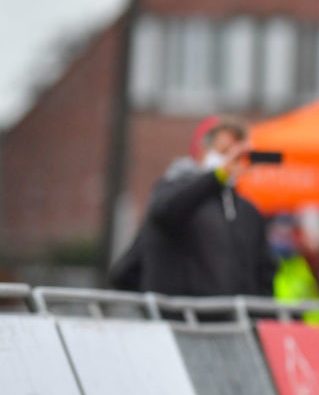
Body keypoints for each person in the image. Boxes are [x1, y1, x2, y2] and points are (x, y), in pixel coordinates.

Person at [109, 116, 276, 297]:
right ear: (203, 150)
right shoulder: (173, 188)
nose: (231, 161)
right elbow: (167, 211)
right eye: (224, 151)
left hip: (232, 320)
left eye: (237, 154)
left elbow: (263, 271)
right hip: (183, 318)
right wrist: (217, 176)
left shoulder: (246, 210)